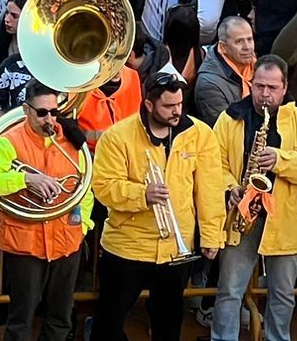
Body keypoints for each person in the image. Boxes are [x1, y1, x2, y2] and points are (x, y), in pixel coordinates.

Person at [91, 69, 225, 341]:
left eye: (179, 104)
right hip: (127, 246)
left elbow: (210, 189)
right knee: (109, 321)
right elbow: (103, 186)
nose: (176, 111)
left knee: (168, 323)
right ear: (149, 104)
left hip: (176, 248)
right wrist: (142, 195)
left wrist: (212, 235)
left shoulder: (200, 134)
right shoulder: (117, 136)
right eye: (168, 106)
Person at [211, 56, 297, 341]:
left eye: (272, 87)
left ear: (285, 87)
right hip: (241, 215)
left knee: (283, 295)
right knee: (229, 292)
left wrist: (279, 160)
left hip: (283, 220)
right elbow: (214, 163)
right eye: (259, 86)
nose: (265, 94)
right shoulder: (230, 117)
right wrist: (230, 187)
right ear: (250, 84)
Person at [0, 81, 91, 341]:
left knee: (60, 317)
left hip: (67, 240)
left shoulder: (70, 140)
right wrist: (26, 180)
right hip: (25, 243)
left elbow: (84, 188)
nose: (50, 119)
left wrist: (84, 226)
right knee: (21, 319)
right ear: (26, 110)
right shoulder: (8, 141)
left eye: (54, 112)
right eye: (42, 113)